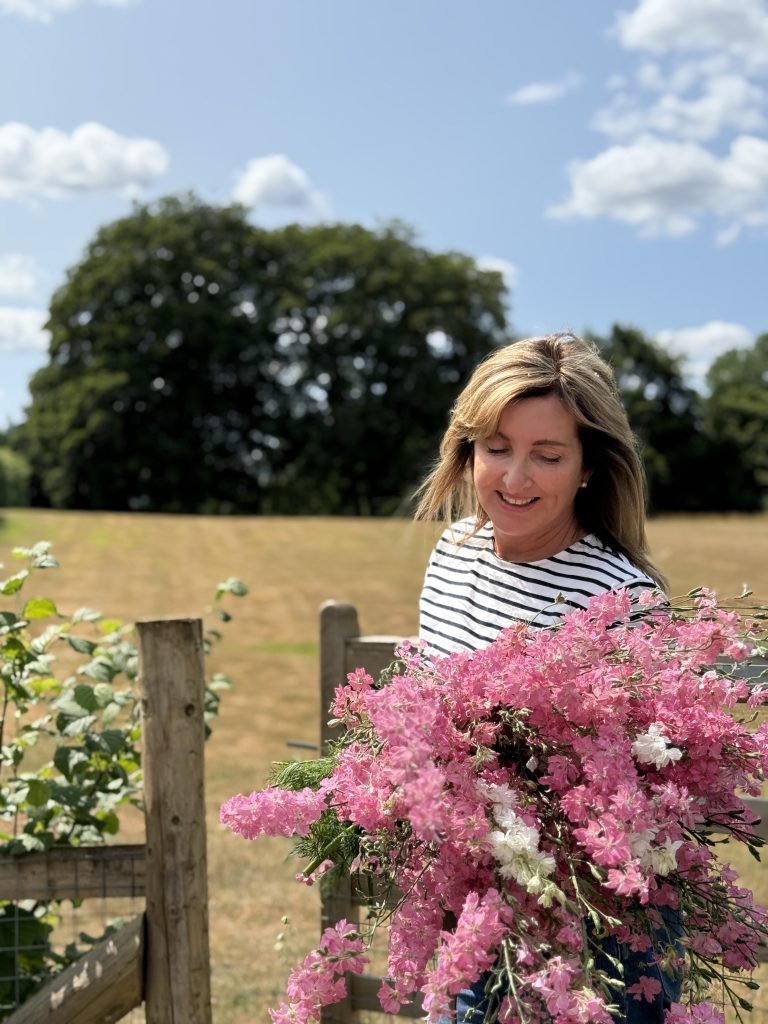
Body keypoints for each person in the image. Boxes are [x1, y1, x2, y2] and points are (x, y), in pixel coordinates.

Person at [414, 333, 680, 1022]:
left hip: (597, 926)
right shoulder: (452, 553)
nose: (515, 477)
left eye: (548, 455)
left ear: (589, 467)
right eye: (497, 447)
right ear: (469, 449)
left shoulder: (625, 599)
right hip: (475, 901)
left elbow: (645, 789)